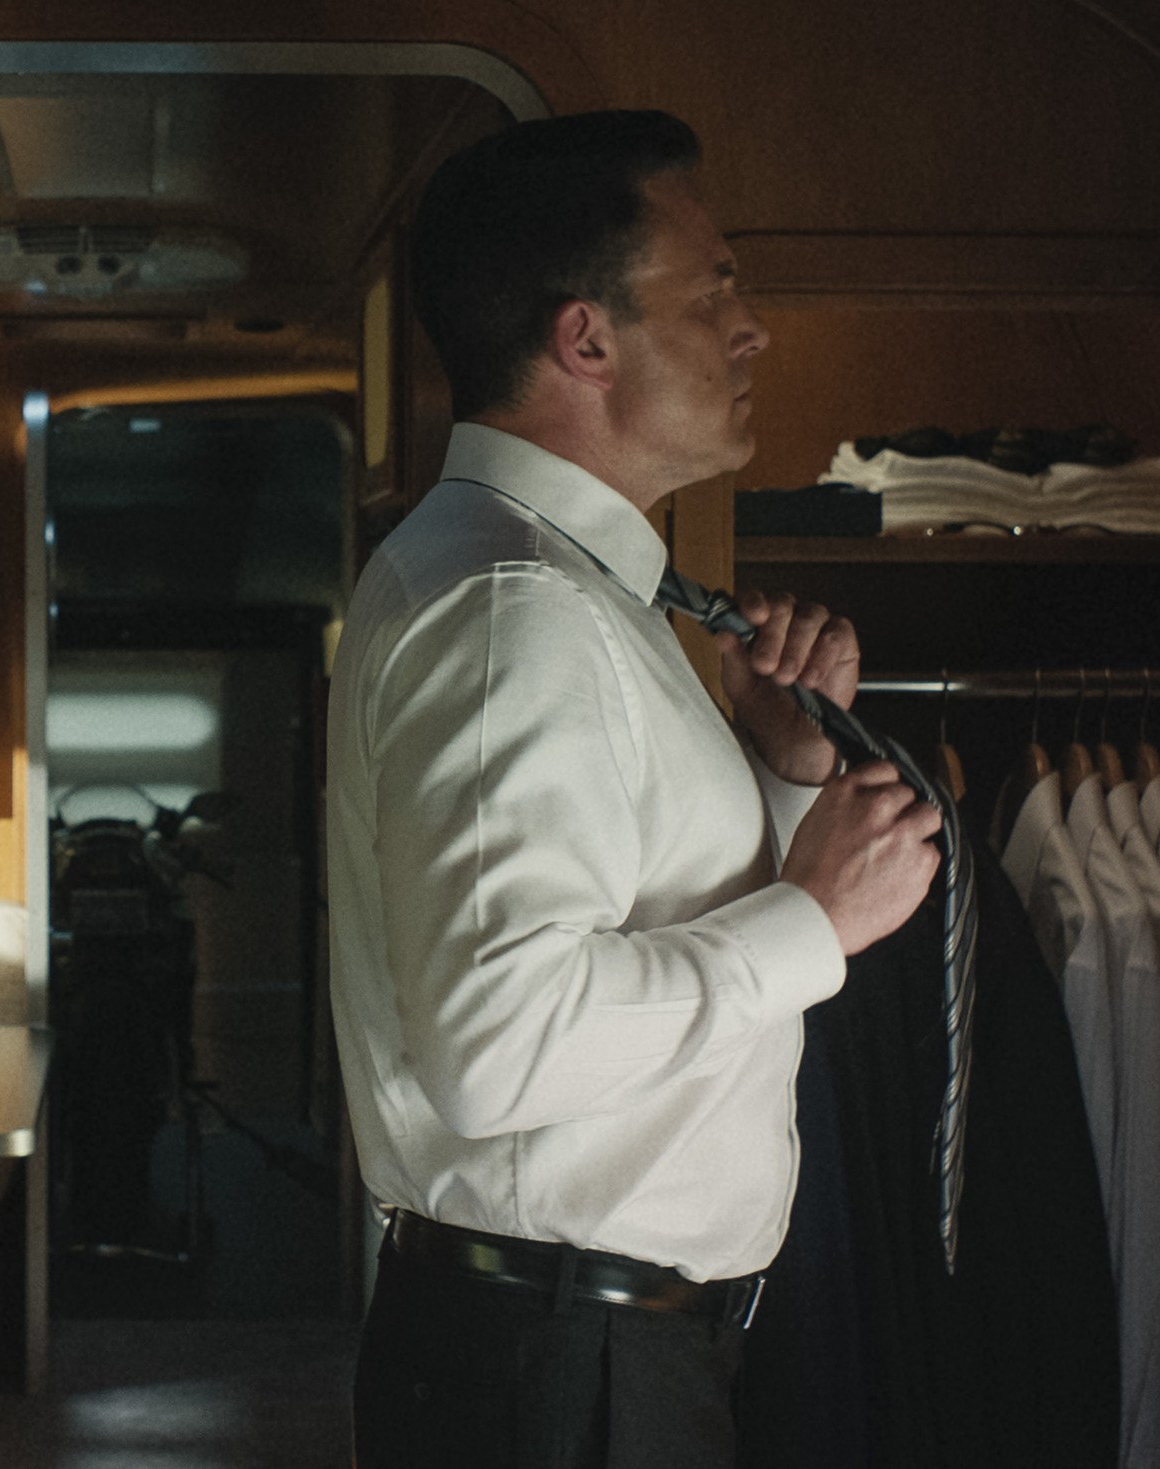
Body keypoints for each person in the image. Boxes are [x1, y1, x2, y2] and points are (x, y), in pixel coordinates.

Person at [327, 108, 943, 1465]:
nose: (751, 329)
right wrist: (814, 924)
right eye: (712, 290)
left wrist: (784, 770)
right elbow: (498, 1046)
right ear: (586, 339)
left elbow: (620, 913)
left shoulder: (563, 589)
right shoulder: (519, 612)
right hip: (564, 1373)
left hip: (580, 1359)